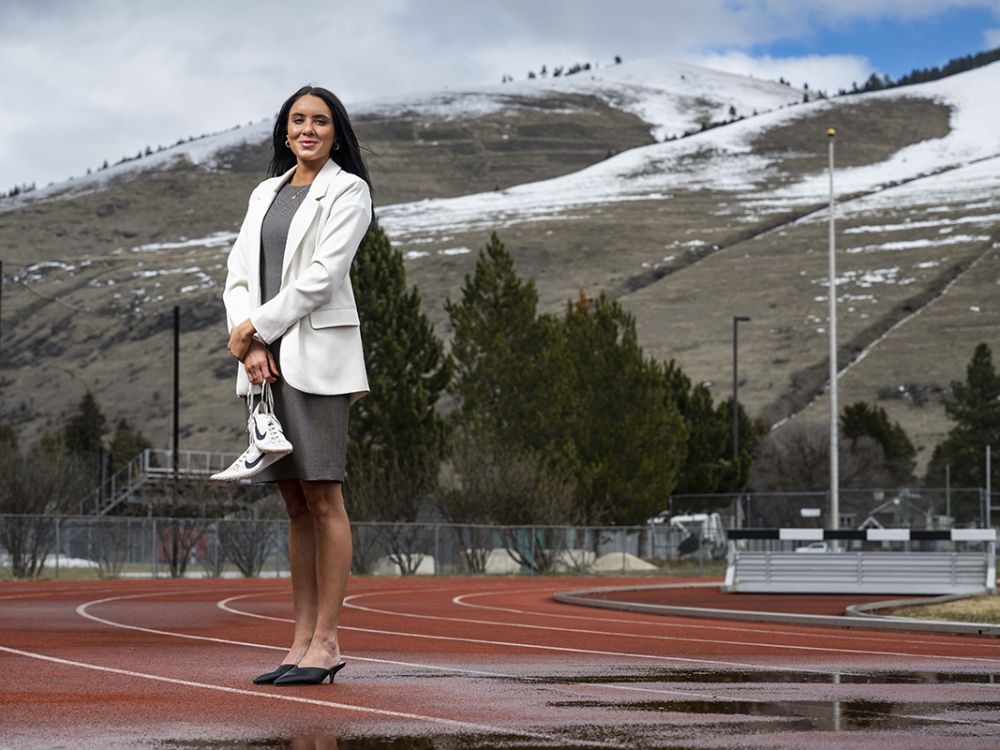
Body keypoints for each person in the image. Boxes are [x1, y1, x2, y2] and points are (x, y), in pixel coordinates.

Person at [221, 85, 373, 686]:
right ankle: (299, 640)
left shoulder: (349, 191)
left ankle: (327, 642)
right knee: (293, 503)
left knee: (323, 496)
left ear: (337, 133)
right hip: (263, 360)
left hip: (317, 360)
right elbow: (238, 272)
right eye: (298, 120)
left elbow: (322, 278)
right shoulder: (264, 193)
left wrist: (260, 326)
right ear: (285, 131)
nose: (308, 130)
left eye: (321, 121)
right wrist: (250, 340)